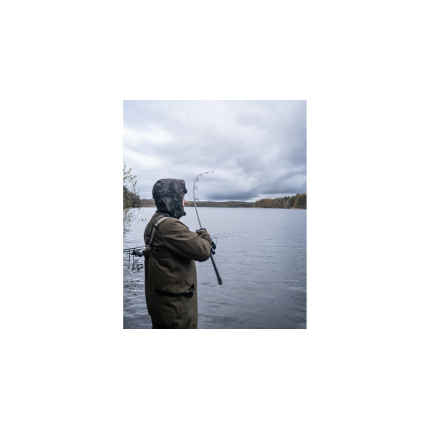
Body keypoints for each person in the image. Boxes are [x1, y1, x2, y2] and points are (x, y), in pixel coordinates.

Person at [137, 178, 212, 329]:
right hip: (175, 310)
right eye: (182, 197)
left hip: (166, 303)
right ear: (171, 198)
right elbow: (203, 251)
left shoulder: (156, 221)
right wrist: (205, 235)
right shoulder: (169, 225)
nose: (185, 202)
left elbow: (179, 246)